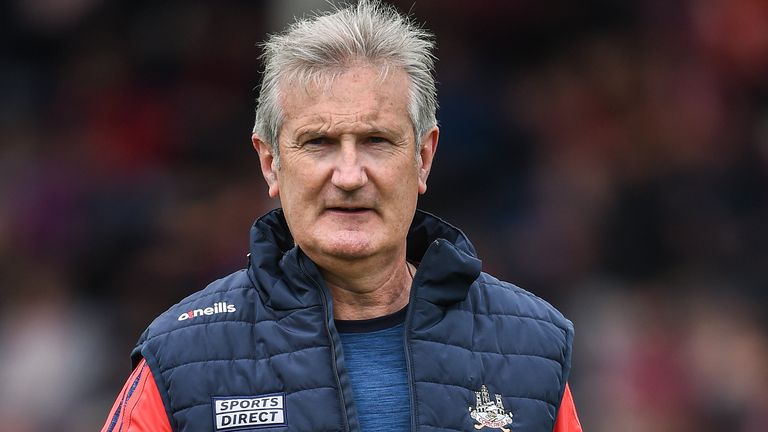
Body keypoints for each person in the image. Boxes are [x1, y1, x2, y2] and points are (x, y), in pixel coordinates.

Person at [102, 1, 582, 431]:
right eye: (319, 143)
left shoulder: (532, 348)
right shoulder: (180, 361)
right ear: (271, 163)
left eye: (376, 140)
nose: (350, 175)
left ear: (423, 157)